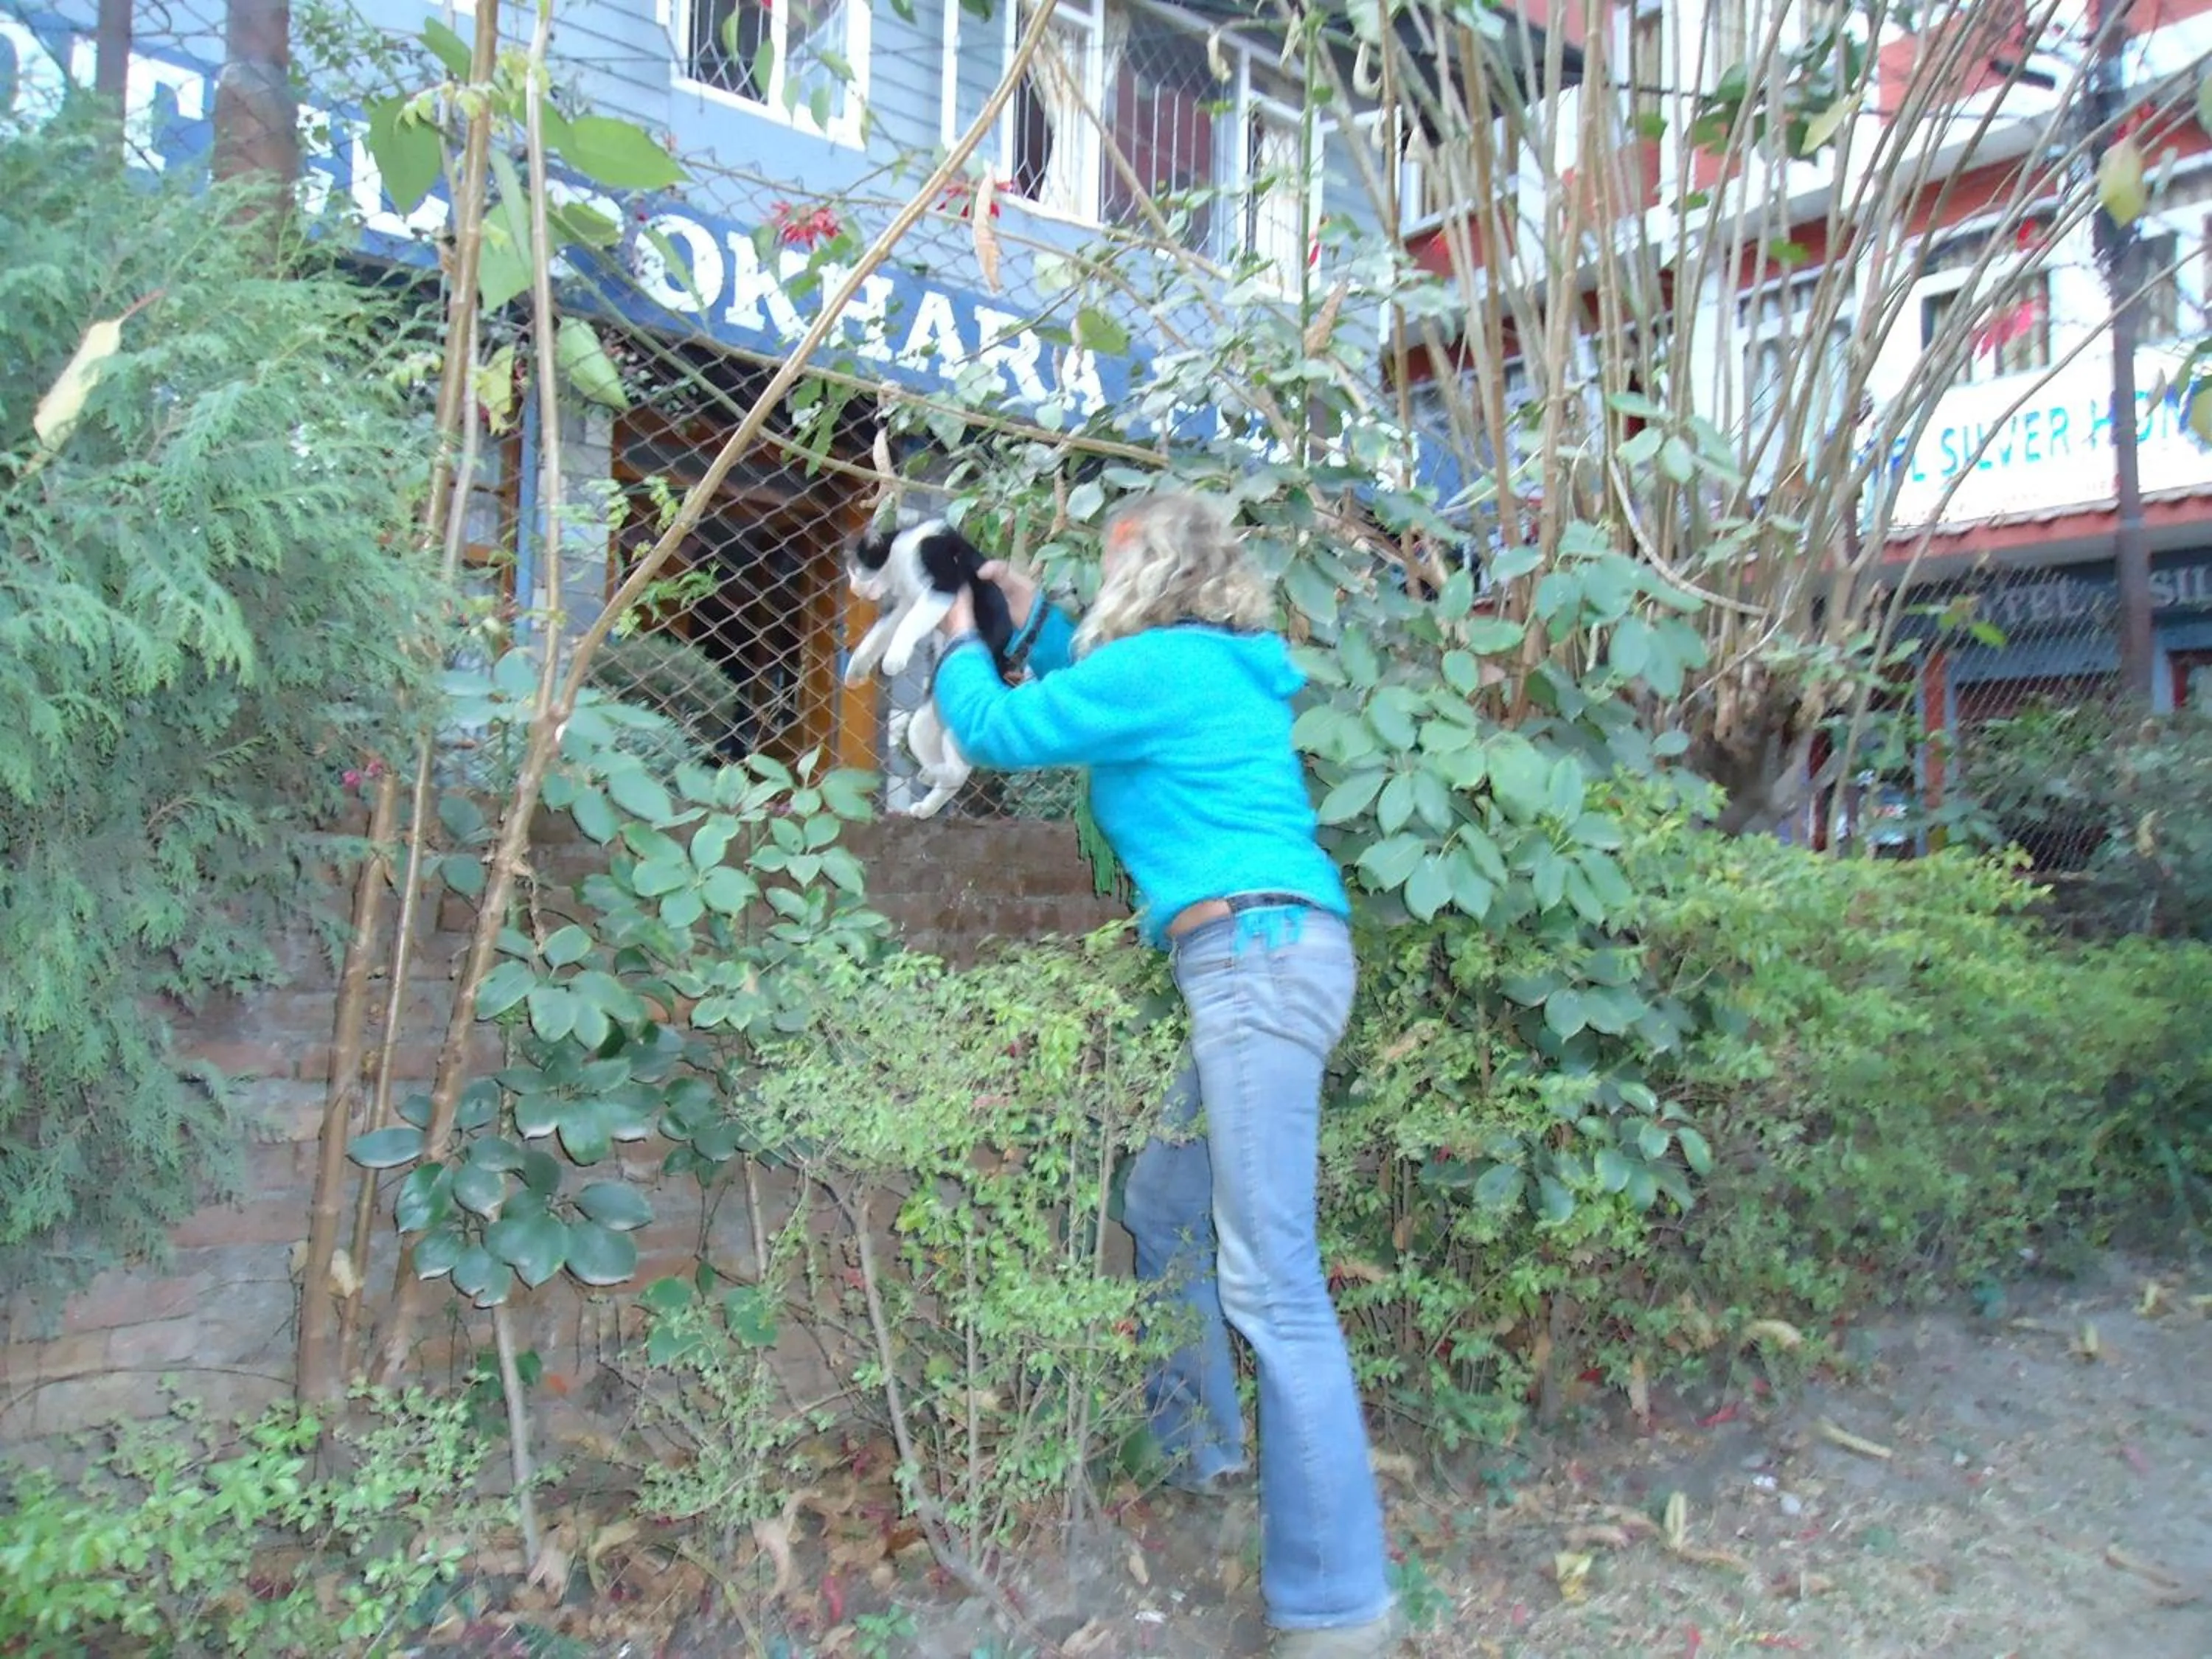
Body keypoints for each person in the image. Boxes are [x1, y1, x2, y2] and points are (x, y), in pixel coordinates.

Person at [930, 492, 1401, 1658]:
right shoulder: (1208, 667)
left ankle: (1338, 1607)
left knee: (1276, 1284)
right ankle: (1201, 1442)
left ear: (1148, 568)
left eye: (1108, 560)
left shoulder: (1169, 670)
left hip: (1252, 963)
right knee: (1164, 1201)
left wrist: (953, 638)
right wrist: (1034, 625)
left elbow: (1003, 730)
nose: (1098, 577)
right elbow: (1090, 683)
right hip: (1265, 958)